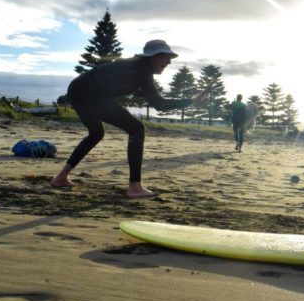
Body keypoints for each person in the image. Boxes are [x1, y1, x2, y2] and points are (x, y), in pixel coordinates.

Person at [51, 39, 208, 198]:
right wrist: (191, 100)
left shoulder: (136, 66)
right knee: (136, 129)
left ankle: (61, 177)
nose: (168, 61)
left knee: (96, 133)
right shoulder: (142, 69)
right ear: (152, 56)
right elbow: (158, 104)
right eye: (164, 56)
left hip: (77, 89)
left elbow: (125, 85)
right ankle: (134, 187)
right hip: (89, 92)